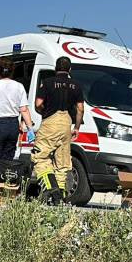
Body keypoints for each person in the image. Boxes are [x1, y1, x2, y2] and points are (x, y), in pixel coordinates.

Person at [34, 57, 85, 205]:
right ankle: (60, 196)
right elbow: (80, 109)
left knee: (41, 156)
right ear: (69, 70)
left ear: (56, 68)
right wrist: (76, 127)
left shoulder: (48, 82)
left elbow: (39, 103)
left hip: (50, 121)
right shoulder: (76, 85)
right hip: (66, 124)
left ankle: (51, 187)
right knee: (63, 161)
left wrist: (44, 112)